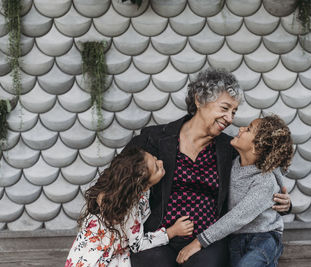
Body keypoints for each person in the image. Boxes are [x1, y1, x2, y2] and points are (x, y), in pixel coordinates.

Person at [123, 68, 292, 267]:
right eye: (225, 108)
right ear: (199, 100)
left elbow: (267, 166)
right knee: (151, 262)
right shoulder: (155, 138)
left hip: (208, 242)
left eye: (234, 112)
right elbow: (116, 178)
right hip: (159, 236)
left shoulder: (231, 149)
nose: (230, 119)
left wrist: (285, 204)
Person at [176, 115, 294, 267]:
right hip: (236, 237)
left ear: (257, 146)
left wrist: (199, 242)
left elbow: (238, 216)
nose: (241, 128)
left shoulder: (265, 181)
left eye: (248, 129)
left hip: (264, 236)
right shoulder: (232, 165)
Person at [65, 147, 194, 267]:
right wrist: (171, 232)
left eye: (155, 158)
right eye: (156, 167)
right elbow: (138, 244)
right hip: (98, 255)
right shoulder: (129, 207)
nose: (160, 162)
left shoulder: (123, 189)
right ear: (142, 184)